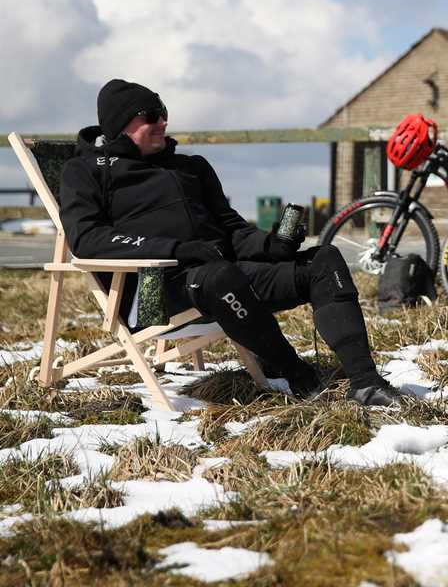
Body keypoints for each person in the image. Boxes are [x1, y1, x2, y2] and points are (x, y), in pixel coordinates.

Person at [60, 79, 408, 407]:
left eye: (164, 111)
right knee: (219, 277)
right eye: (151, 116)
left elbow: (232, 230)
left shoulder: (190, 167)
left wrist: (272, 246)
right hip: (148, 289)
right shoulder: (87, 170)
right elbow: (87, 239)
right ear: (122, 124)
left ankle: (366, 382)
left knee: (323, 261)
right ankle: (299, 376)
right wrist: (176, 250)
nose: (163, 121)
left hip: (220, 273)